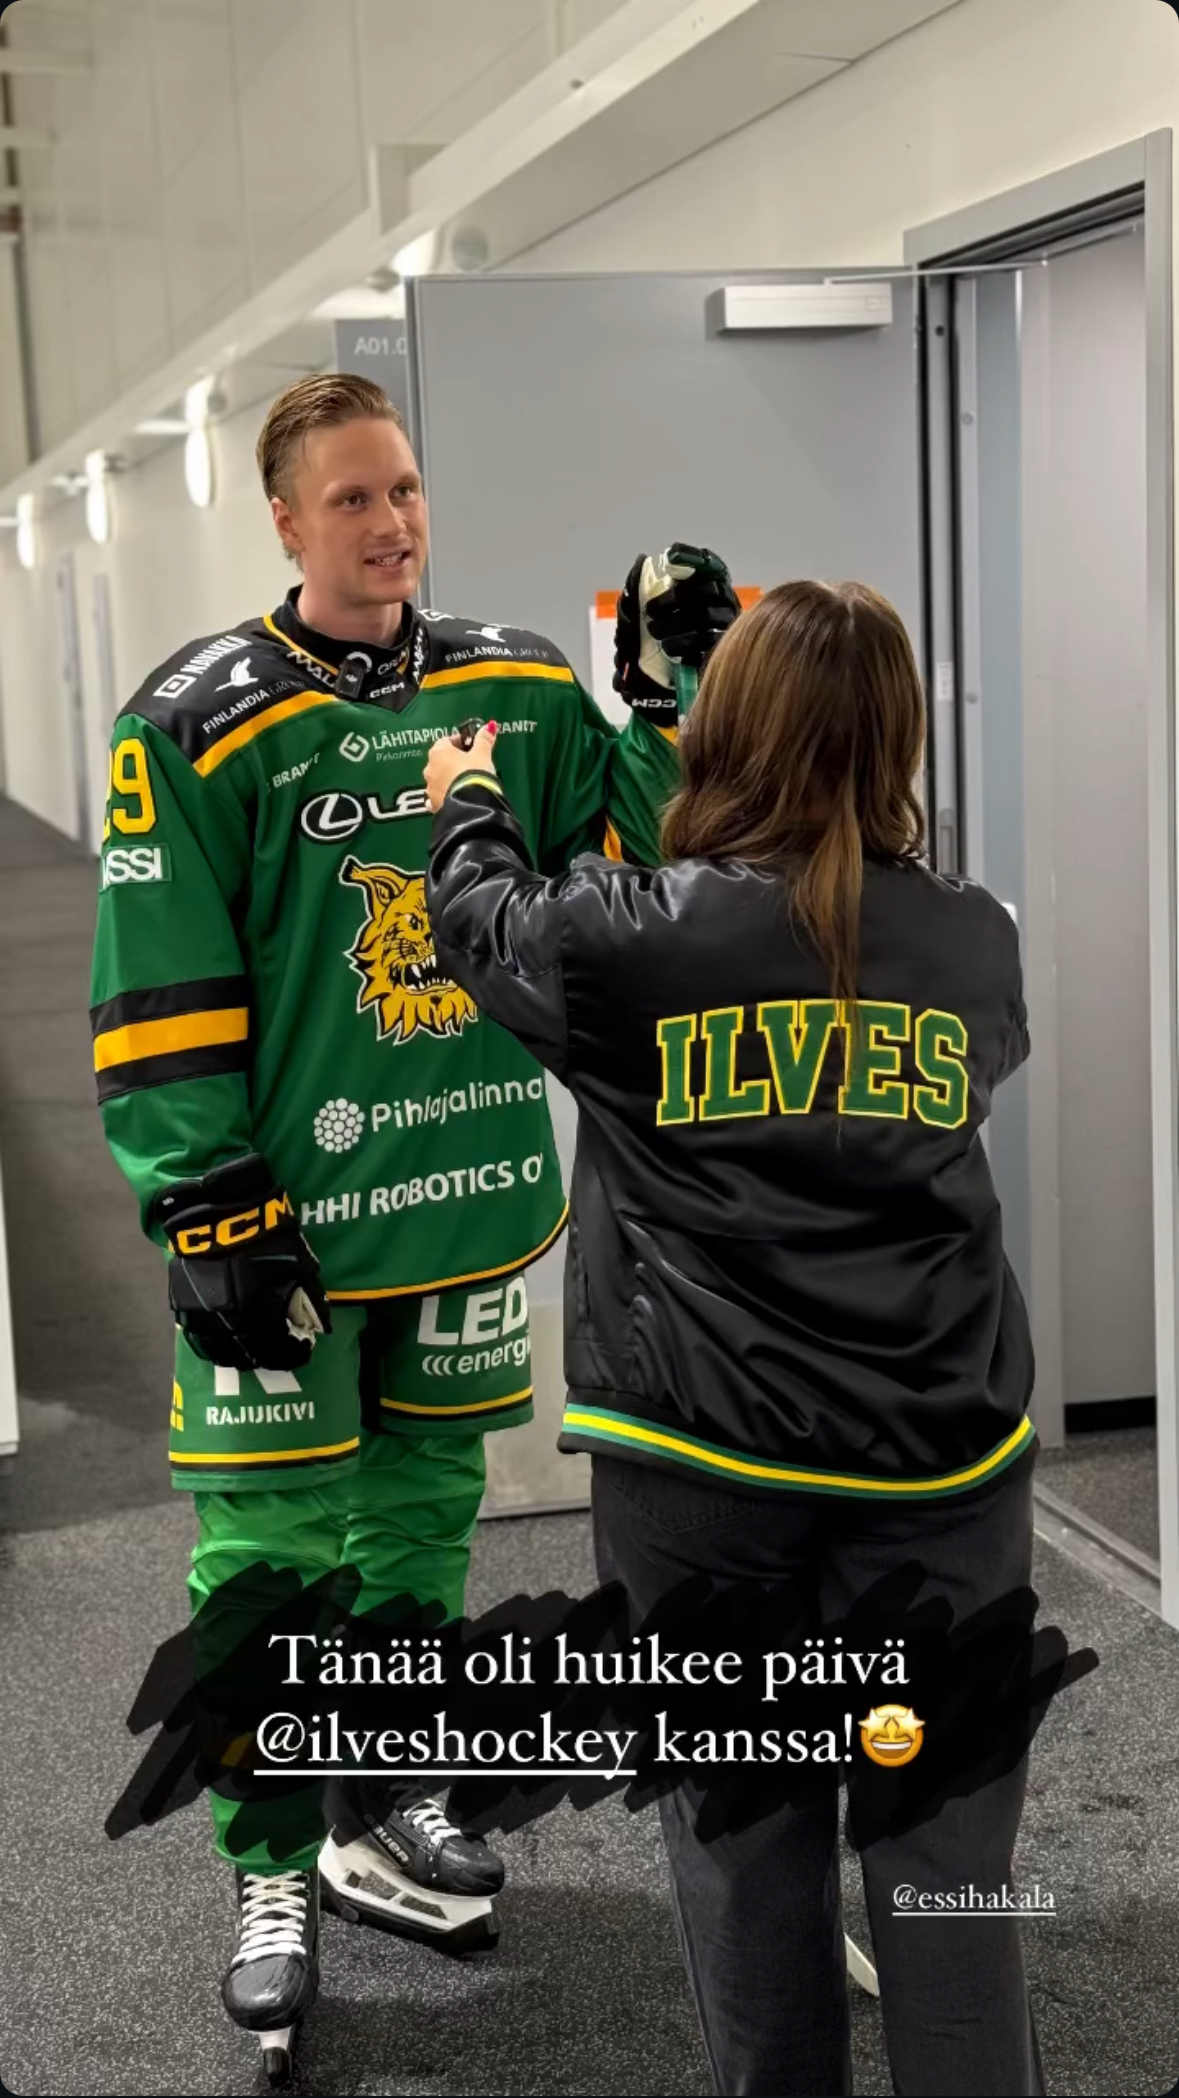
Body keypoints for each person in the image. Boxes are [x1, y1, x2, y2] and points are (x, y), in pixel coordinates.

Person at [89, 368, 739, 2076]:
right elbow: (157, 981)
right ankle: (272, 1864)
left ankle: (381, 1791)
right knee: (264, 1556)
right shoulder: (195, 720)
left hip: (458, 1198)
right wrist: (203, 1199)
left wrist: (665, 704)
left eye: (406, 488)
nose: (392, 523)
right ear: (285, 521)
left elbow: (640, 859)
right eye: (353, 498)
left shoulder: (511, 681)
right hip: (285, 1228)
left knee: (421, 1526)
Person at [423, 580, 1043, 2098]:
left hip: (702, 1465)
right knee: (951, 1866)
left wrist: (467, 801)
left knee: (747, 1849)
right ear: (896, 737)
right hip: (939, 1464)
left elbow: (479, 921)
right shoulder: (977, 941)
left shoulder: (625, 938)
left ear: (729, 732)